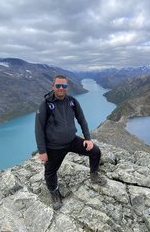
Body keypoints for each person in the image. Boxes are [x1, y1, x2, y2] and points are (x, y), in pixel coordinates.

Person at [34, 74, 107, 210]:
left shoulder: (72, 101)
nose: (61, 88)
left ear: (67, 87)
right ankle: (54, 193)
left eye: (64, 86)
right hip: (54, 146)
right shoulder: (45, 105)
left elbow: (81, 119)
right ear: (53, 86)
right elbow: (38, 129)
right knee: (50, 172)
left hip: (72, 141)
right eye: (58, 86)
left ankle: (94, 175)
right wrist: (42, 151)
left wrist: (87, 139)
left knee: (95, 151)